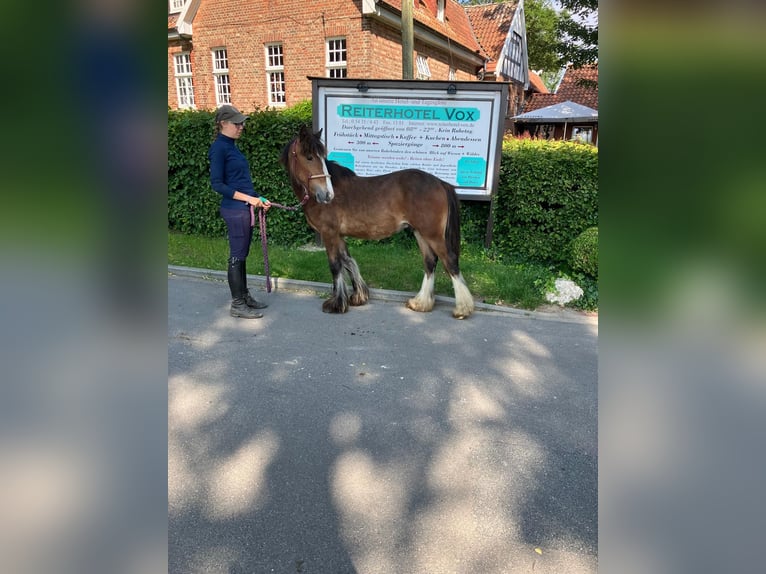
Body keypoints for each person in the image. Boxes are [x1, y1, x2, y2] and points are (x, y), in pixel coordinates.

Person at [209, 104, 272, 319]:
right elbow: (218, 184)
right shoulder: (219, 148)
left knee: (242, 255)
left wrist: (258, 199)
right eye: (237, 123)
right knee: (236, 256)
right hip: (235, 210)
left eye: (242, 122)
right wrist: (250, 199)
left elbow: (240, 182)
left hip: (244, 208)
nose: (241, 126)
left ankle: (244, 296)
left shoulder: (232, 147)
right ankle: (237, 304)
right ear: (223, 123)